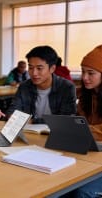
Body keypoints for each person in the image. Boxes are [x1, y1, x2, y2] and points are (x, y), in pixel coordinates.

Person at [64, 45, 102, 198]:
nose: (84, 77)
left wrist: (84, 130)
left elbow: (86, 129)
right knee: (59, 186)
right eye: (83, 71)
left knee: (80, 192)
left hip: (96, 164)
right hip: (89, 158)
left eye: (90, 73)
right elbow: (81, 123)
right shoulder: (86, 96)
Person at [5, 45, 77, 123]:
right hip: (29, 133)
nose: (34, 73)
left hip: (56, 133)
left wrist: (33, 121)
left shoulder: (66, 87)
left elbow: (66, 119)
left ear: (52, 68)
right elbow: (12, 111)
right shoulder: (24, 87)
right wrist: (11, 116)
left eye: (39, 68)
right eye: (31, 68)